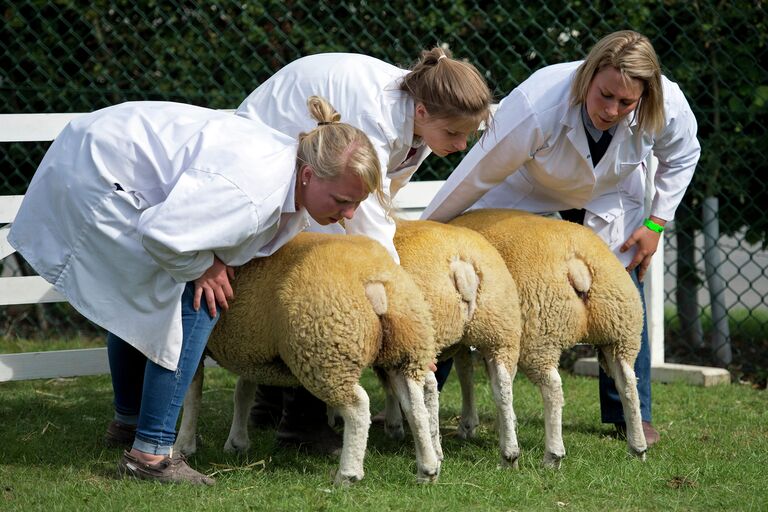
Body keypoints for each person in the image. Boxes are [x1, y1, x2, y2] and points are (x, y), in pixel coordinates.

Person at [8, 96, 383, 485]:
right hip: (97, 174)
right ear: (308, 176)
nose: (349, 214)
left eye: (357, 203)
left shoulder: (285, 167)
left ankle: (130, 423)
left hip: (97, 152)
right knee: (198, 301)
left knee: (142, 299)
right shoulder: (254, 191)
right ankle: (150, 455)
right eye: (342, 200)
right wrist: (204, 267)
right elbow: (164, 234)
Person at [421, 30, 701, 447]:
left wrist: (656, 224)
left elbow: (682, 155)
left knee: (622, 285)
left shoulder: (666, 102)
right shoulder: (538, 104)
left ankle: (631, 413)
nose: (612, 109)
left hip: (609, 191)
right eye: (605, 95)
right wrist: (429, 235)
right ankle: (421, 397)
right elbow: (474, 175)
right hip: (526, 184)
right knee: (463, 270)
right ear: (589, 75)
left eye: (626, 103)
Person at [236, 47, 493, 450]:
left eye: (467, 135)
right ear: (423, 113)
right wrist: (407, 310)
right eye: (454, 134)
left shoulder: (420, 124)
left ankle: (272, 403)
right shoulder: (374, 117)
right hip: (273, 145)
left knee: (323, 270)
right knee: (334, 285)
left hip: (317, 167)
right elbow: (366, 219)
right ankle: (301, 424)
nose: (461, 145)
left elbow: (386, 189)